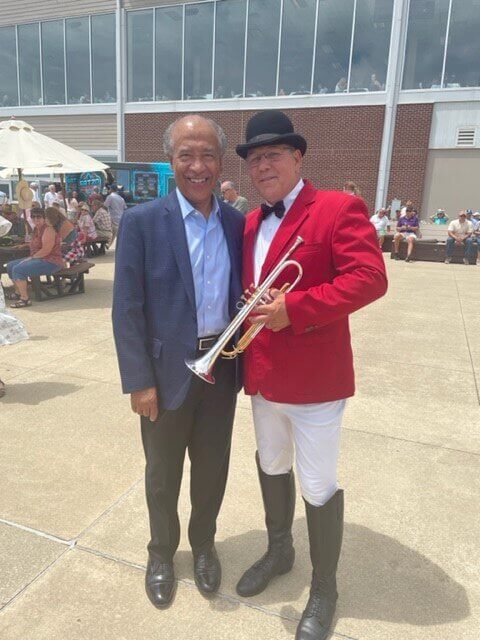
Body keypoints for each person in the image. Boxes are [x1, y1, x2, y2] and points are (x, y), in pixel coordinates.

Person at [234, 110, 387, 640]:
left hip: (316, 380)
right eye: (255, 158)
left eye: (274, 155)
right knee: (272, 464)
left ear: (299, 157)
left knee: (318, 485)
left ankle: (325, 587)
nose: (263, 166)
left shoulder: (339, 207)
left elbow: (370, 278)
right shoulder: (251, 221)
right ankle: (280, 551)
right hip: (263, 374)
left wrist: (293, 308)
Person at [112, 115, 244, 609]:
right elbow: (126, 307)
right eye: (187, 154)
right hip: (165, 376)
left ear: (220, 161)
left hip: (222, 369)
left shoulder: (237, 222)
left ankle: (205, 547)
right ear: (171, 161)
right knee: (162, 473)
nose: (198, 165)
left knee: (212, 470)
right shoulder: (142, 222)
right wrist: (138, 380)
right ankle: (161, 554)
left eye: (208, 154)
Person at [6, 208, 63, 308]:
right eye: (33, 217)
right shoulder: (37, 229)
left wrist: (31, 258)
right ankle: (18, 292)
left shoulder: (48, 229)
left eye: (38, 217)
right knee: (10, 266)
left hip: (51, 262)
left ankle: (25, 299)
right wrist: (24, 245)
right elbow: (36, 243)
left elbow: (46, 250)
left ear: (44, 218)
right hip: (39, 259)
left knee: (18, 269)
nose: (36, 219)